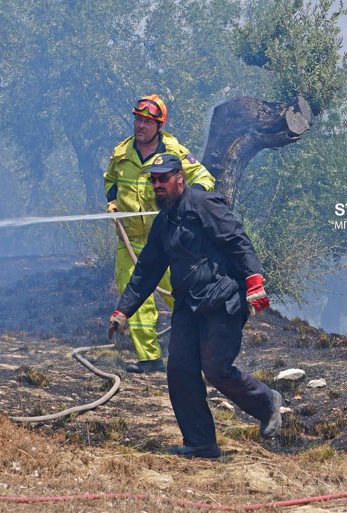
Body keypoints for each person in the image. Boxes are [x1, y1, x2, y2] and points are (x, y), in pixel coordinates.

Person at [107, 154, 282, 458]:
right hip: (188, 306)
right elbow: (147, 270)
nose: (157, 184)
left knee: (215, 369)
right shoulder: (163, 222)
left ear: (180, 178)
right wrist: (123, 311)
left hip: (223, 299)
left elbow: (238, 241)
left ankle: (267, 403)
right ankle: (201, 441)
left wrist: (255, 282)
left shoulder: (205, 205)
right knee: (179, 370)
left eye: (163, 178)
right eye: (153, 180)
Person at [104, 95, 215, 374]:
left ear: (159, 125)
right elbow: (110, 181)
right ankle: (149, 359)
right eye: (137, 119)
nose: (140, 126)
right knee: (135, 298)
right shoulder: (121, 153)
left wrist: (191, 202)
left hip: (167, 240)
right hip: (129, 240)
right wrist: (113, 200)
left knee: (181, 294)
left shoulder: (173, 151)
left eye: (147, 122)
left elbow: (203, 177)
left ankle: (207, 347)